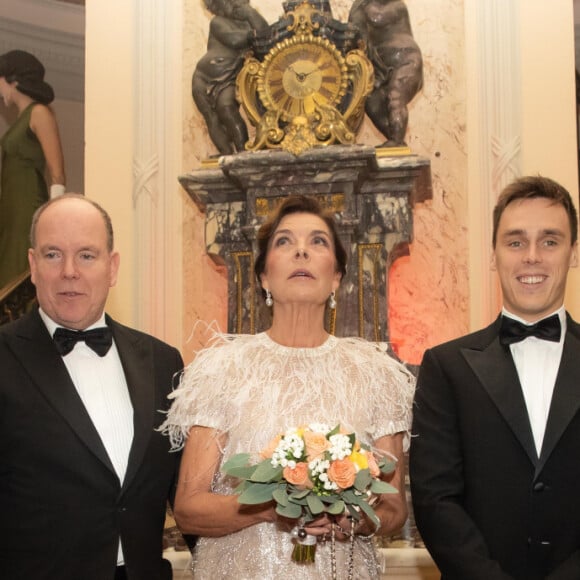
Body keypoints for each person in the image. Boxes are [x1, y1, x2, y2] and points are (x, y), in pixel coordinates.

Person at [160, 195, 415, 579]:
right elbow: (190, 508)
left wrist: (352, 519)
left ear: (336, 278)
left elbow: (394, 511)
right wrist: (270, 506)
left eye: (318, 242)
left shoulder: (376, 375)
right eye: (284, 241)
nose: (301, 251)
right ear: (263, 276)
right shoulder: (220, 370)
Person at [0, 194, 183, 580]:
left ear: (112, 267)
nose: (69, 271)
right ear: (32, 266)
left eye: (86, 255)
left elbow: (184, 494)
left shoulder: (164, 362)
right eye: (53, 255)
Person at [410, 176, 580, 580]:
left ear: (573, 253)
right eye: (516, 241)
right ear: (494, 254)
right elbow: (436, 499)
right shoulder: (445, 366)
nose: (532, 257)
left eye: (550, 241)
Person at [0, 49, 66, 288]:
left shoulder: (39, 112)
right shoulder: (19, 120)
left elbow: (57, 172)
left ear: (13, 80)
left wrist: (54, 219)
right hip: (11, 210)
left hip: (27, 205)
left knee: (22, 264)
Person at [192, 0, 269, 155]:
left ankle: (243, 153)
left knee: (227, 110)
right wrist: (255, 34)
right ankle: (226, 153)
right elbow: (234, 39)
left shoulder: (249, 24)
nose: (232, 6)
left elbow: (266, 36)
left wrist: (252, 15)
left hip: (229, 79)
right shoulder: (218, 22)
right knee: (212, 117)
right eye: (226, 3)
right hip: (202, 78)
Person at [348, 0, 423, 147]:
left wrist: (362, 8)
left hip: (407, 60)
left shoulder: (397, 6)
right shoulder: (361, 7)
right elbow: (354, 35)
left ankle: (396, 141)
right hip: (379, 66)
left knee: (395, 97)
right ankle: (395, 138)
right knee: (369, 101)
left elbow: (377, 17)